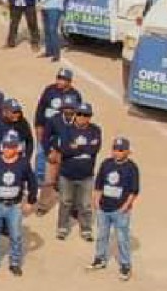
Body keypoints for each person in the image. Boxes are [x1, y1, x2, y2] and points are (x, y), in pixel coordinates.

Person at [0, 130, 37, 276]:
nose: (8, 149)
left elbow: (32, 182)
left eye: (11, 146)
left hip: (15, 205)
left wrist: (31, 201)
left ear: (17, 148)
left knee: (16, 235)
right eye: (6, 146)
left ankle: (15, 263)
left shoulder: (23, 164)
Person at [90, 136, 139, 281]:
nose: (117, 152)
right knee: (101, 235)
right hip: (104, 207)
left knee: (122, 238)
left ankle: (125, 264)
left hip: (120, 210)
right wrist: (96, 201)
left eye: (121, 150)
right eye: (115, 149)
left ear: (127, 152)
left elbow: (134, 191)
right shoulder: (106, 164)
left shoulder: (132, 168)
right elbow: (99, 184)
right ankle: (100, 258)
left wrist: (126, 206)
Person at [54, 101, 101, 241]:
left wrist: (76, 147)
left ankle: (86, 229)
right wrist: (84, 147)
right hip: (67, 174)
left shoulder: (95, 130)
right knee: (65, 202)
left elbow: (94, 149)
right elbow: (64, 150)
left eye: (86, 115)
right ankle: (62, 227)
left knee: (85, 204)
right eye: (79, 114)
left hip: (86, 175)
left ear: (90, 117)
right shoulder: (67, 130)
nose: (82, 117)